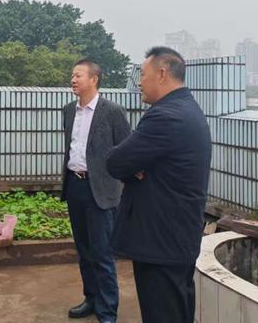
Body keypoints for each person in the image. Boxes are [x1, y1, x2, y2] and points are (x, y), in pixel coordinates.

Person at [106, 47, 212, 323]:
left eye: (143, 74)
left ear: (162, 73)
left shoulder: (166, 116)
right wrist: (135, 168)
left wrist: (134, 168)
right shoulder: (187, 108)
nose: (139, 82)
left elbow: (115, 162)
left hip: (161, 242)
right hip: (176, 239)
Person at [61, 59, 132, 323]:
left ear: (94, 79)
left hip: (101, 190)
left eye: (78, 75)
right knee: (84, 251)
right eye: (72, 75)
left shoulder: (112, 111)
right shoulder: (69, 110)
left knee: (102, 253)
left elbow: (125, 149)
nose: (73, 80)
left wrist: (121, 185)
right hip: (75, 185)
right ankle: (90, 298)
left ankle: (107, 310)